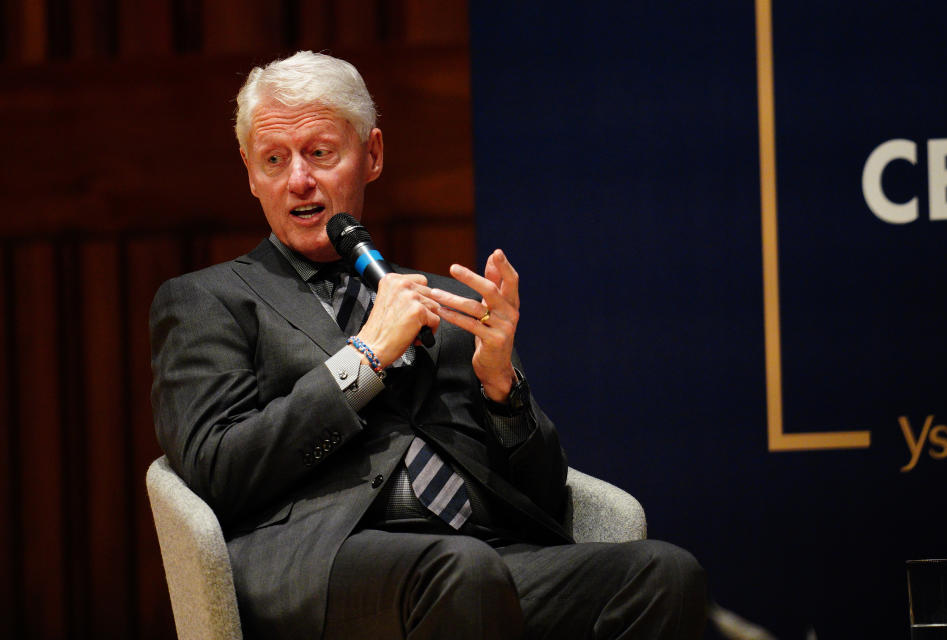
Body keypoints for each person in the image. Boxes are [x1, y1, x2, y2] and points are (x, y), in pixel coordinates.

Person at [150, 50, 706, 639]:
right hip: (320, 565)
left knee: (663, 573)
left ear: (373, 155)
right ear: (249, 171)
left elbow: (545, 497)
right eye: (274, 159)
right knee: (460, 572)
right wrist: (364, 358)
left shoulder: (446, 300)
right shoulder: (207, 300)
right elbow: (218, 469)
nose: (299, 180)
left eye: (319, 153)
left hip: (483, 555)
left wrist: (502, 390)